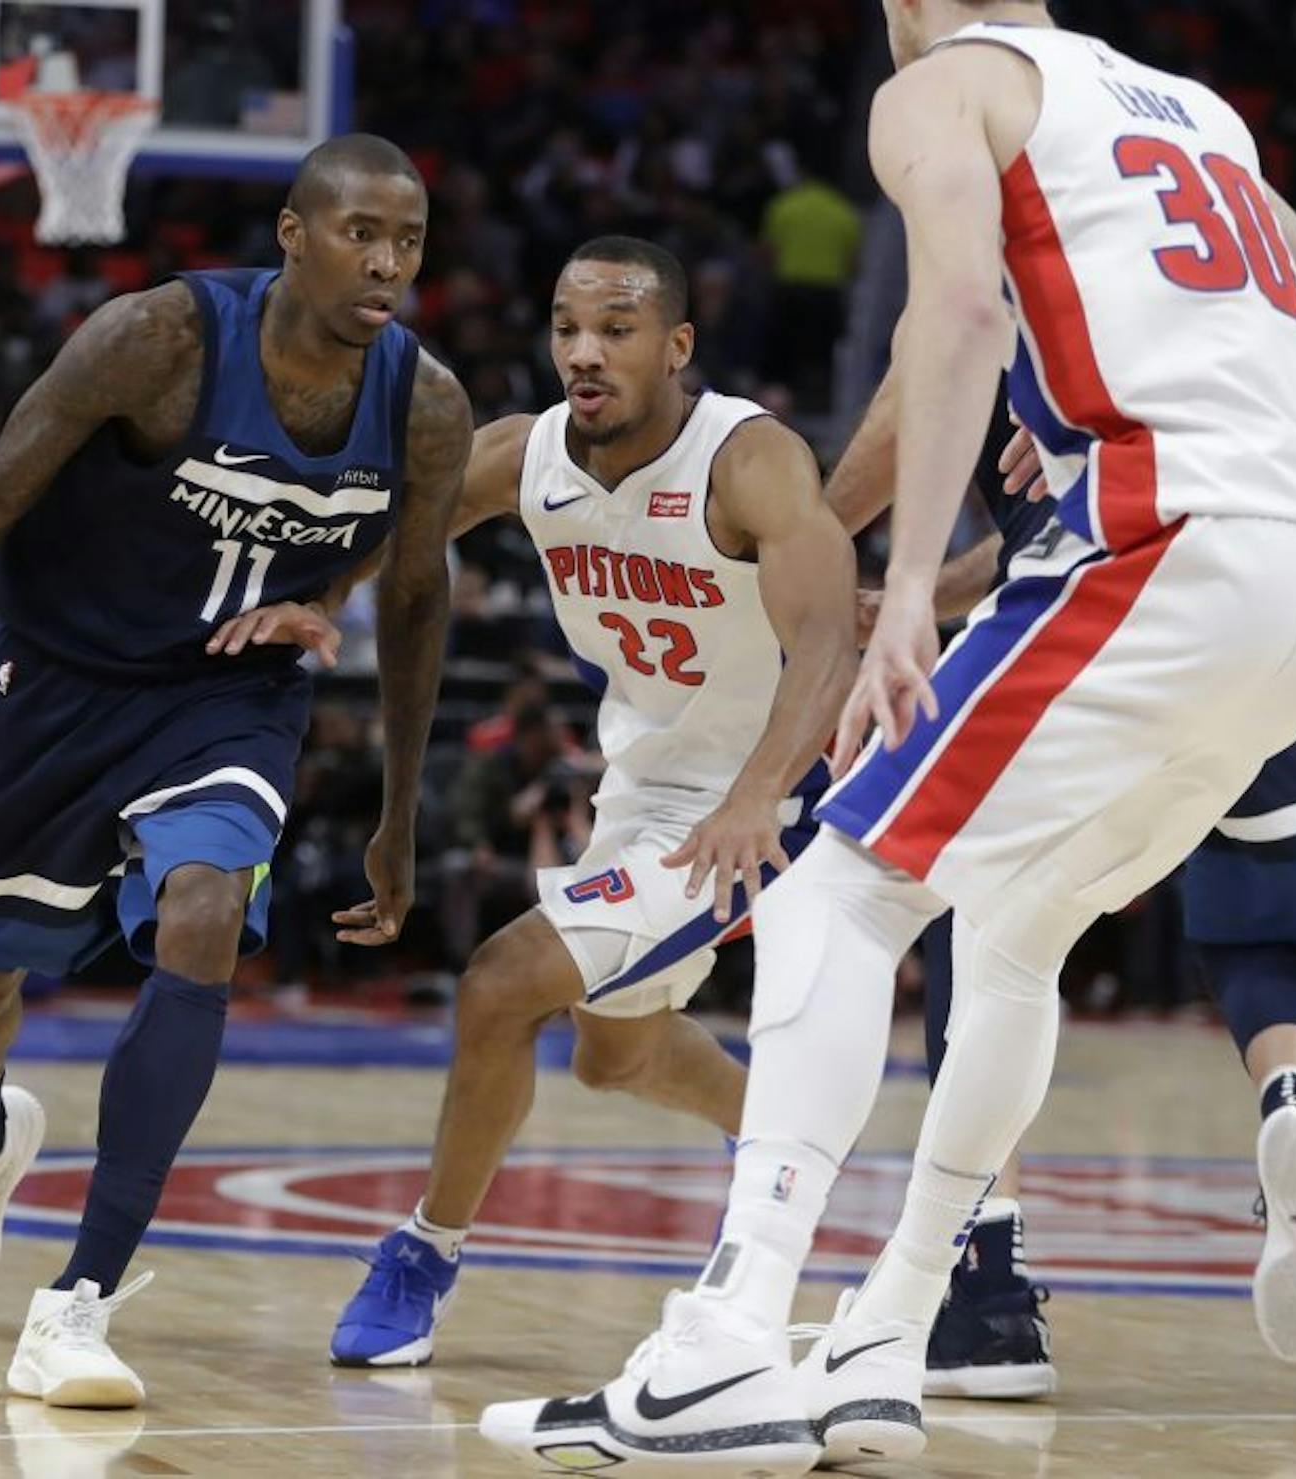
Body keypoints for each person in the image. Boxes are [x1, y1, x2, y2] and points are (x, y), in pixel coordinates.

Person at [482, 2, 1296, 1470]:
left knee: (836, 884)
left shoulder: (946, 86)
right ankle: (890, 1335)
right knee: (1016, 933)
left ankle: (725, 1341)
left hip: (1157, 545)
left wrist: (905, 592)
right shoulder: (1193, 110)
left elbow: (952, 314)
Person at [0, 134, 471, 1409]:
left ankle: (77, 1301)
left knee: (203, 922)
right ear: (293, 235)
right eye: (362, 233)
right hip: (59, 679)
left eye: (409, 240)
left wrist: (397, 816)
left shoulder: (422, 404)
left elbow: (417, 598)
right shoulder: (156, 343)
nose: (388, 263)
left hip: (226, 697)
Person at [329, 236, 857, 1369]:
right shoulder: (527, 457)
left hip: (765, 790)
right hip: (646, 789)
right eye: (567, 327)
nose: (584, 352)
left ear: (676, 346)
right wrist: (300, 602)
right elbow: (387, 533)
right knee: (614, 1058)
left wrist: (759, 794)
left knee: (502, 984)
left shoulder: (746, 460)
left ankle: (426, 1251)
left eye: (616, 330)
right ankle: (781, 1135)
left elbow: (831, 634)